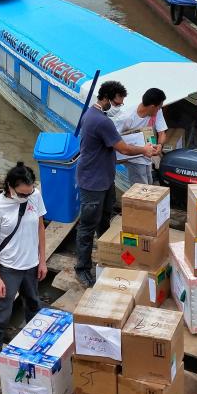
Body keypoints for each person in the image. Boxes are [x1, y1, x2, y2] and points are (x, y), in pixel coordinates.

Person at [74, 80, 158, 288]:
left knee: (105, 221)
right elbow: (125, 149)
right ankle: (82, 269)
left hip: (103, 179)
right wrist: (144, 150)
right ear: (107, 98)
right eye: (118, 102)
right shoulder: (102, 121)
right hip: (92, 182)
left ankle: (106, 257)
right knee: (87, 226)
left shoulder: (94, 116)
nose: (119, 107)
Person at [0, 161, 47, 394]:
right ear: (9, 187)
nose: (25, 197)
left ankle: (37, 354)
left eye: (28, 193)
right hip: (7, 268)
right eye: (21, 194)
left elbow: (40, 226)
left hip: (31, 266)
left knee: (33, 305)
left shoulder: (34, 196)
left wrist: (42, 259)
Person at [114, 87, 168, 185]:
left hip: (147, 154)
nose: (160, 109)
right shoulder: (126, 117)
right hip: (133, 156)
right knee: (141, 188)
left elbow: (162, 133)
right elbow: (114, 138)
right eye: (159, 107)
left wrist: (160, 145)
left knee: (148, 183)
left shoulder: (157, 111)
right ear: (152, 106)